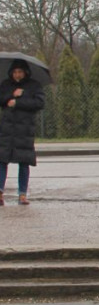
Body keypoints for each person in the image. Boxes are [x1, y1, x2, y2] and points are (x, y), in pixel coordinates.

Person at [0, 59, 46, 206]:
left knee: (24, 162)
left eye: (20, 72)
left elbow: (39, 103)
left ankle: (22, 195)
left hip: (25, 129)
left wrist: (20, 100)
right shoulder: (6, 85)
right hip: (7, 129)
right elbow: (1, 99)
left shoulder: (34, 86)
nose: (17, 75)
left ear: (25, 72)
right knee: (2, 161)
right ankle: (0, 193)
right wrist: (11, 95)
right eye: (15, 72)